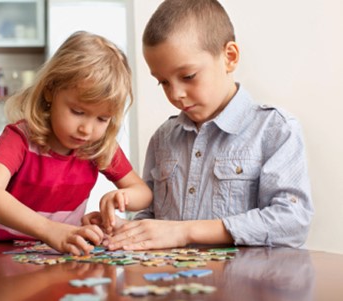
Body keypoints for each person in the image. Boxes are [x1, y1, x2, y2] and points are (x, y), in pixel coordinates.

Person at [84, 0, 314, 250]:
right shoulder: (162, 138)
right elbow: (152, 220)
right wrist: (121, 229)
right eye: (163, 82)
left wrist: (186, 232)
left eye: (188, 76)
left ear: (230, 57)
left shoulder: (275, 130)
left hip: (247, 286)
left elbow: (292, 222)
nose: (175, 94)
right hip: (172, 286)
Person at [0, 31, 153, 256]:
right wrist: (50, 231)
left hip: (63, 256)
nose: (86, 129)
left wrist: (121, 198)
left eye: (102, 119)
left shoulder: (98, 146)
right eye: (78, 112)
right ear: (50, 90)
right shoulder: (19, 138)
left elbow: (143, 193)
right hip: (6, 255)